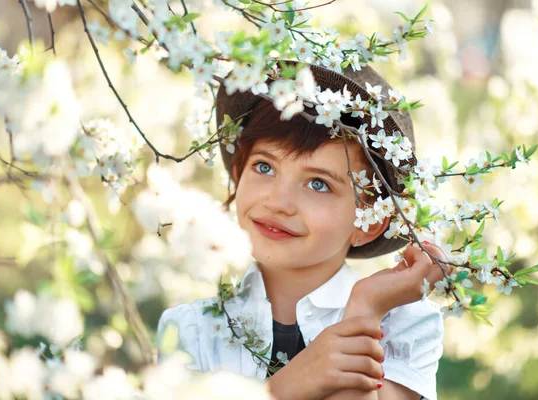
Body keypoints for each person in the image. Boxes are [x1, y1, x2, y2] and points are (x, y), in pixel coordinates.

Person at [156, 60, 450, 400]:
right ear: (238, 175)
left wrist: (365, 310)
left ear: (369, 222)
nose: (279, 201)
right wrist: (287, 386)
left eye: (318, 184)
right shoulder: (191, 330)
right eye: (264, 166)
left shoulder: (402, 325)